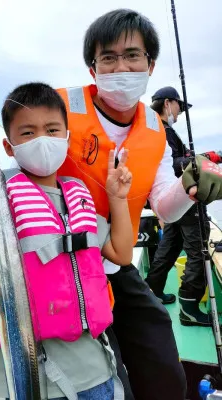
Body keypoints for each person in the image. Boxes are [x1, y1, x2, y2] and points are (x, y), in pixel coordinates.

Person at [0, 60, 135, 399]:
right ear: (8, 147)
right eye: (27, 132)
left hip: (92, 372)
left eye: (52, 130)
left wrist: (117, 199)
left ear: (66, 137)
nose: (42, 139)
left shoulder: (76, 195)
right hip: (17, 377)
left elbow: (121, 253)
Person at [57, 9, 222, 400]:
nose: (121, 66)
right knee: (104, 375)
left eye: (132, 55)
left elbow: (164, 207)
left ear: (150, 65)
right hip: (65, 269)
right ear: (92, 67)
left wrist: (193, 186)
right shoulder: (58, 109)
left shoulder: (154, 130)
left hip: (116, 262)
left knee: (162, 363)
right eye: (108, 57)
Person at [145, 86, 222, 326]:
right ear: (168, 103)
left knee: (168, 248)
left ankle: (152, 292)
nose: (180, 112)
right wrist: (203, 159)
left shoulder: (156, 129)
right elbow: (171, 165)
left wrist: (203, 157)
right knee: (198, 250)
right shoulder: (162, 131)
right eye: (179, 106)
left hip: (172, 202)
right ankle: (188, 306)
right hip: (185, 200)